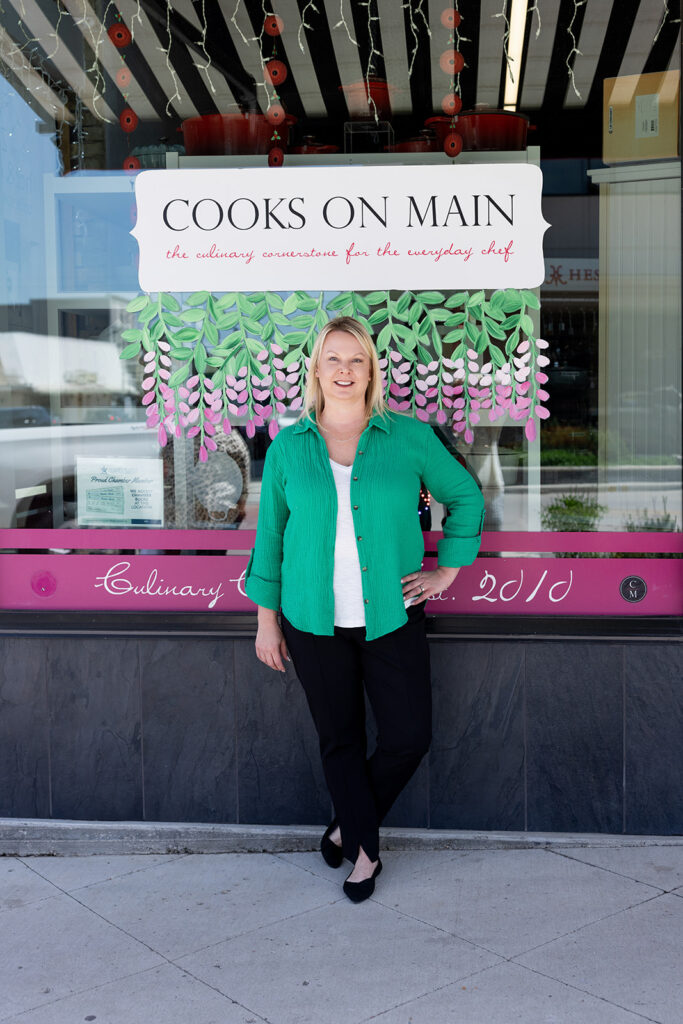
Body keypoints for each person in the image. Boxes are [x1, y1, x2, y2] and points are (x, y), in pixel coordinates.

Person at [245, 315, 485, 903]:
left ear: (372, 369)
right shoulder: (288, 447)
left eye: (356, 360)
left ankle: (348, 824)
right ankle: (365, 854)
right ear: (317, 370)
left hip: (391, 614)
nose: (345, 370)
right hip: (310, 620)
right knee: (341, 739)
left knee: (409, 736)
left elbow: (465, 497)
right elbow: (270, 535)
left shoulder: (407, 437)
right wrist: (266, 619)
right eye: (334, 360)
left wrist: (447, 570)